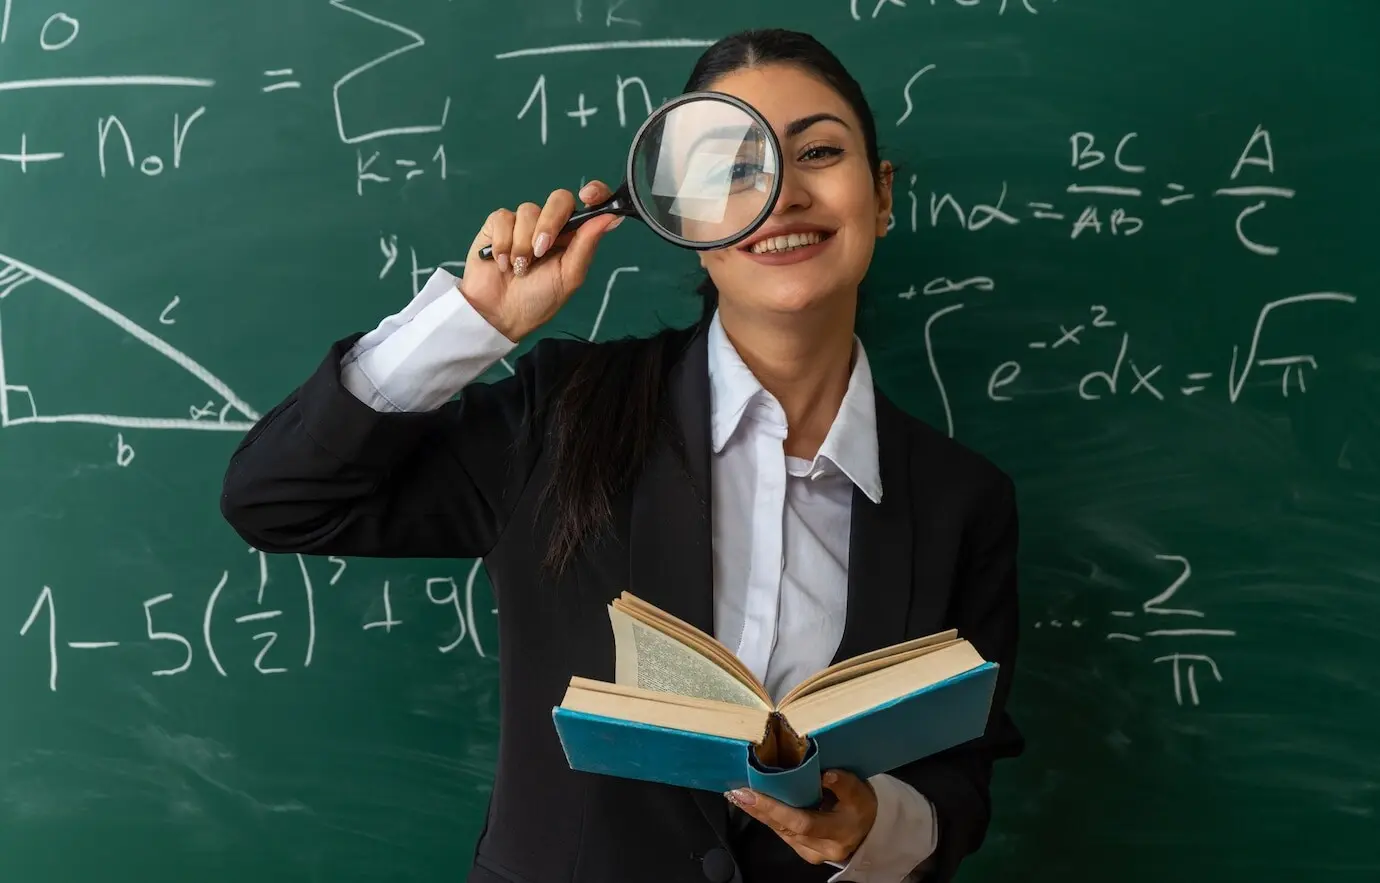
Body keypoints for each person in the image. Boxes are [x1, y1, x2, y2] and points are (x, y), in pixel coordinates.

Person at [220, 27, 1024, 883]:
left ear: (882, 193)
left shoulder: (961, 500)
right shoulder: (564, 410)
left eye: (818, 151)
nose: (782, 193)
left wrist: (872, 829)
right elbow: (278, 498)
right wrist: (474, 321)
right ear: (683, 217)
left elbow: (961, 783)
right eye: (735, 167)